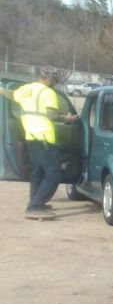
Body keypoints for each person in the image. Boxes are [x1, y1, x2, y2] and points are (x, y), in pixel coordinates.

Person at [13, 66, 77, 220]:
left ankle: (36, 201)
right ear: (48, 79)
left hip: (31, 136)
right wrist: (67, 119)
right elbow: (51, 115)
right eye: (54, 80)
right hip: (44, 138)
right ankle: (34, 206)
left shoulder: (24, 89)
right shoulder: (48, 93)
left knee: (38, 172)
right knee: (54, 174)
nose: (54, 83)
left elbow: (13, 96)